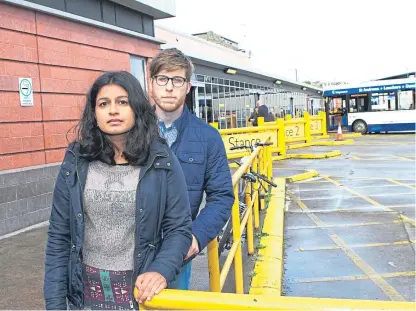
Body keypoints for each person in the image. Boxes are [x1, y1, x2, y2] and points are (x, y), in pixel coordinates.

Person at [43, 71, 192, 310]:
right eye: (104, 103)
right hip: (84, 296)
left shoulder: (161, 160)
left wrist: (161, 270)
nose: (113, 110)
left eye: (122, 102)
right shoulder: (75, 160)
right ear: (94, 113)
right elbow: (59, 238)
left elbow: (179, 228)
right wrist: (54, 304)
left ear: (137, 108)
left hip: (142, 295)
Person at [149, 48, 234, 290]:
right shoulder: (131, 132)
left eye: (177, 80)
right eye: (162, 79)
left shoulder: (208, 137)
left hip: (178, 253)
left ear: (187, 87)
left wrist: (195, 236)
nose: (169, 87)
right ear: (152, 83)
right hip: (130, 251)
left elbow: (222, 196)